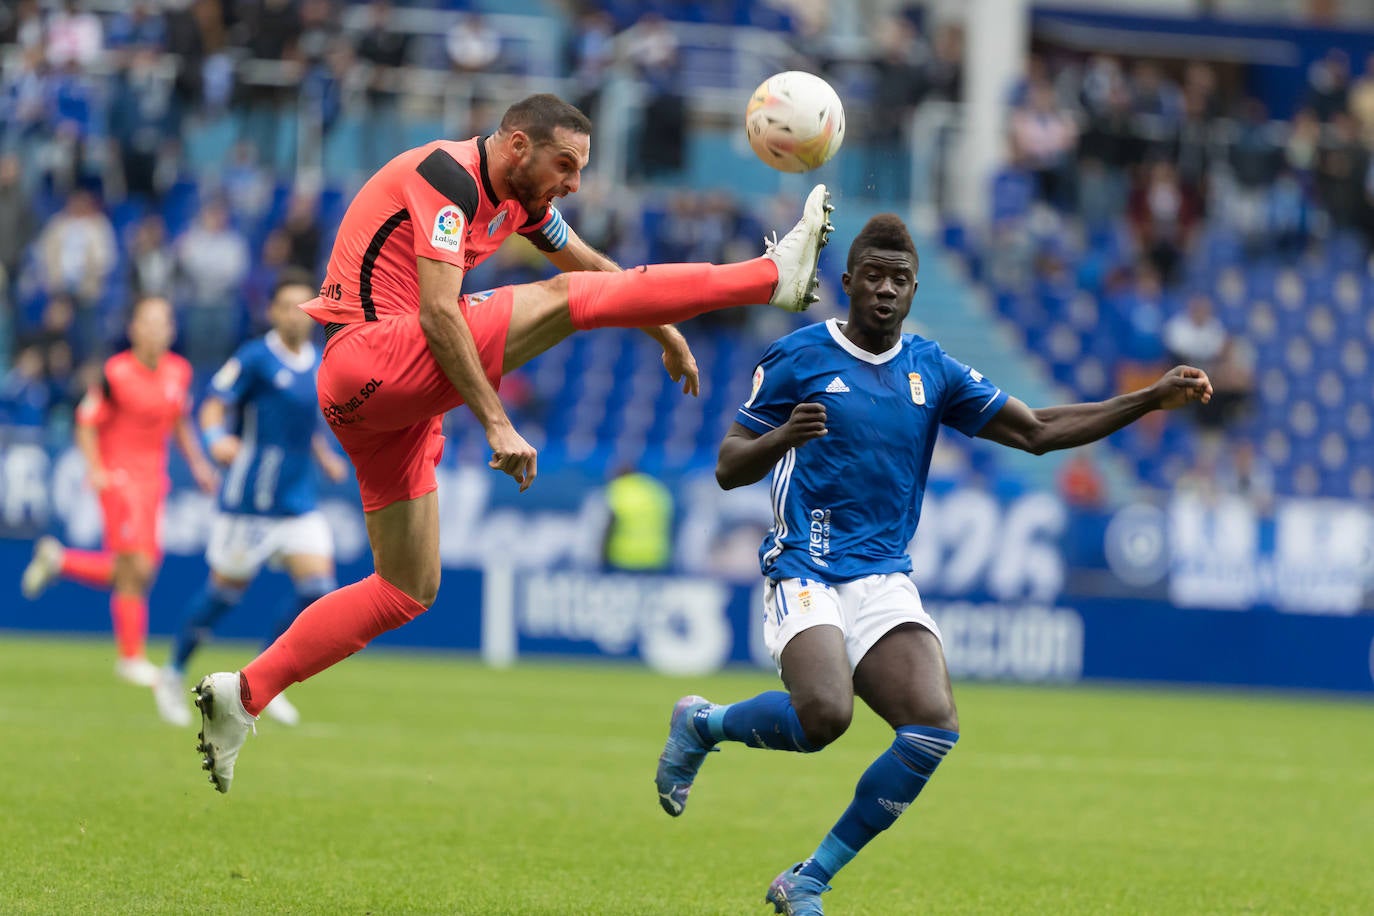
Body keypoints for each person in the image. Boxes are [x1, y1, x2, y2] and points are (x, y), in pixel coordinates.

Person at [192, 93, 835, 793]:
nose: (574, 184)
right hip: (368, 358)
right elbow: (441, 312)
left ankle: (245, 693)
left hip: (383, 404)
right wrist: (496, 421)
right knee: (562, 300)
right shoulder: (450, 178)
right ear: (518, 147)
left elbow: (593, 262)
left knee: (406, 588)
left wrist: (664, 331)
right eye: (566, 165)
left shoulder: (520, 202)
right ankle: (773, 277)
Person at [653, 214, 1212, 915]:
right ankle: (705, 724)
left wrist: (1149, 400)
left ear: (914, 289)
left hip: (884, 576)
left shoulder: (931, 369)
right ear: (848, 282)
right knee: (825, 717)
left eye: (901, 280)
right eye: (875, 277)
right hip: (807, 566)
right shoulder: (797, 357)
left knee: (932, 727)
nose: (887, 290)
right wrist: (785, 435)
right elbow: (729, 466)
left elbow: (1037, 432)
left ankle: (810, 878)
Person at [152, 270, 349, 728]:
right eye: (287, 306)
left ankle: (265, 677)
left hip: (298, 498)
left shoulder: (320, 362)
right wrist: (217, 437)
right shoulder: (256, 358)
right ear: (272, 312)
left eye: (305, 306)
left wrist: (324, 457)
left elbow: (305, 421)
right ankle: (172, 671)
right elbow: (214, 404)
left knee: (318, 590)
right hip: (250, 500)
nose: (297, 315)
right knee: (223, 594)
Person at [21, 295, 218, 685]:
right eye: (147, 322)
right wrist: (95, 469)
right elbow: (86, 421)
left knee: (142, 570)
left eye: (162, 323)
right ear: (134, 329)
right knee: (137, 566)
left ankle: (61, 562)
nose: (155, 330)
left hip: (153, 480)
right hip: (120, 477)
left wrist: (197, 463)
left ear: (171, 331)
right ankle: (131, 658)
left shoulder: (178, 372)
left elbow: (180, 422)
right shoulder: (116, 373)